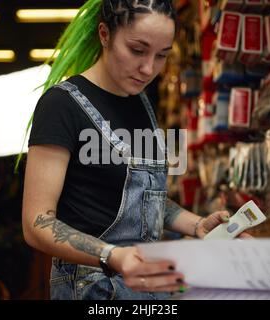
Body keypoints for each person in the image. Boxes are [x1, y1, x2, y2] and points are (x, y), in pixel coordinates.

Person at [22, 0, 251, 300]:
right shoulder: (61, 106)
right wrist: (113, 256)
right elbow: (37, 222)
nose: (148, 69)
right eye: (137, 50)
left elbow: (142, 200)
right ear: (105, 35)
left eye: (162, 56)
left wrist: (197, 226)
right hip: (93, 289)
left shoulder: (142, 103)